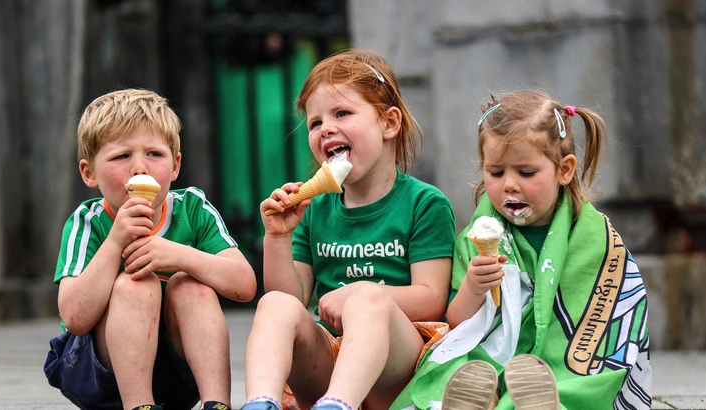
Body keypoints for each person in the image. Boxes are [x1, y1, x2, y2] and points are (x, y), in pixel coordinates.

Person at [390, 90, 652, 410]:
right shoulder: (477, 237)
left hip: (565, 362)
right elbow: (457, 323)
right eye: (496, 173)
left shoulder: (596, 238)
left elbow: (612, 316)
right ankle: (480, 399)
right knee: (459, 370)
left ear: (564, 170)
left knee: (587, 379)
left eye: (526, 172)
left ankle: (546, 400)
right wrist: (473, 287)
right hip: (493, 362)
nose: (509, 185)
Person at [241, 49, 456, 410]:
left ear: (389, 123)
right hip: (328, 362)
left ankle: (339, 405)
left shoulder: (424, 203)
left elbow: (432, 299)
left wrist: (358, 293)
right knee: (274, 304)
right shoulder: (315, 209)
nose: (326, 128)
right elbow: (292, 301)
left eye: (342, 113)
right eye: (315, 122)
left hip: (399, 369)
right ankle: (260, 403)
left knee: (368, 299)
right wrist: (278, 237)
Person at [43, 88, 257, 410]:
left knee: (190, 286)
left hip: (178, 377)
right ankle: (139, 406)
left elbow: (244, 285)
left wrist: (181, 256)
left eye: (154, 154)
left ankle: (217, 403)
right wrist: (115, 242)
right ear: (89, 173)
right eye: (121, 156)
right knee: (136, 286)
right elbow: (74, 317)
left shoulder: (193, 209)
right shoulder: (88, 222)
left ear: (175, 166)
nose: (140, 168)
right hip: (98, 373)